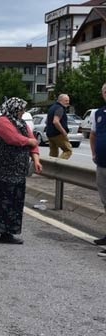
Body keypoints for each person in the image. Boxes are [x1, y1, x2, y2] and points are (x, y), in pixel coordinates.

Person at [0, 97, 42, 245]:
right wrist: (29, 142)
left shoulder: (22, 123)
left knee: (14, 203)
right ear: (14, 109)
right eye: (21, 110)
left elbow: (32, 140)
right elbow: (13, 138)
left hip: (17, 172)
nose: (22, 112)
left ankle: (8, 233)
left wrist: (36, 159)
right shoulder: (2, 121)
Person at [90, 84, 106, 257]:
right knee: (105, 202)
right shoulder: (98, 113)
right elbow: (93, 135)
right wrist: (94, 152)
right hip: (101, 164)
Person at [46, 94, 73, 160]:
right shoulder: (60, 108)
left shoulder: (52, 108)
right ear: (60, 100)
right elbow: (56, 121)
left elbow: (47, 121)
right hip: (58, 134)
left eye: (68, 100)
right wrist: (63, 132)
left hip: (50, 134)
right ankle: (58, 166)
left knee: (53, 152)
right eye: (66, 100)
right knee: (68, 150)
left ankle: (51, 167)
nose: (68, 102)